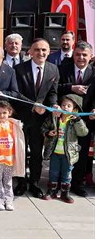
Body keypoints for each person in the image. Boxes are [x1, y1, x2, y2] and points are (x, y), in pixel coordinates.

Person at [14, 38, 60, 198]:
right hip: (22, 117)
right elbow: (16, 93)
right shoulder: (19, 69)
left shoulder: (53, 70)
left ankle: (34, 183)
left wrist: (53, 105)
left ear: (49, 52)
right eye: (37, 50)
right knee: (20, 152)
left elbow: (52, 93)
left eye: (44, 50)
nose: (41, 53)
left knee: (36, 153)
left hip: (40, 121)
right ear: (30, 52)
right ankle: (20, 183)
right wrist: (33, 105)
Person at [58, 41, 95, 197]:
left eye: (84, 55)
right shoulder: (62, 69)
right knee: (62, 150)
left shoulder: (94, 73)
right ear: (74, 55)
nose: (81, 58)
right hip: (64, 119)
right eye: (78, 54)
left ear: (91, 56)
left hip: (86, 120)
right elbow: (56, 88)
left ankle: (77, 183)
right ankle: (59, 181)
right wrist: (71, 87)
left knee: (83, 151)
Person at [41, 94, 89, 203]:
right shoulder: (54, 117)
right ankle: (52, 191)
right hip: (55, 152)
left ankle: (65, 193)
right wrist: (48, 133)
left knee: (67, 174)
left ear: (74, 109)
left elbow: (83, 133)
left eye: (69, 106)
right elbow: (43, 127)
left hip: (69, 154)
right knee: (53, 172)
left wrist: (78, 120)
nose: (65, 108)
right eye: (63, 105)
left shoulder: (74, 121)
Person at [0, 100, 26, 211]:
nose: (1, 115)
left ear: (10, 112)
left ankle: (8, 201)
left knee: (8, 181)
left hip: (10, 159)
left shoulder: (14, 125)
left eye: (4, 113)